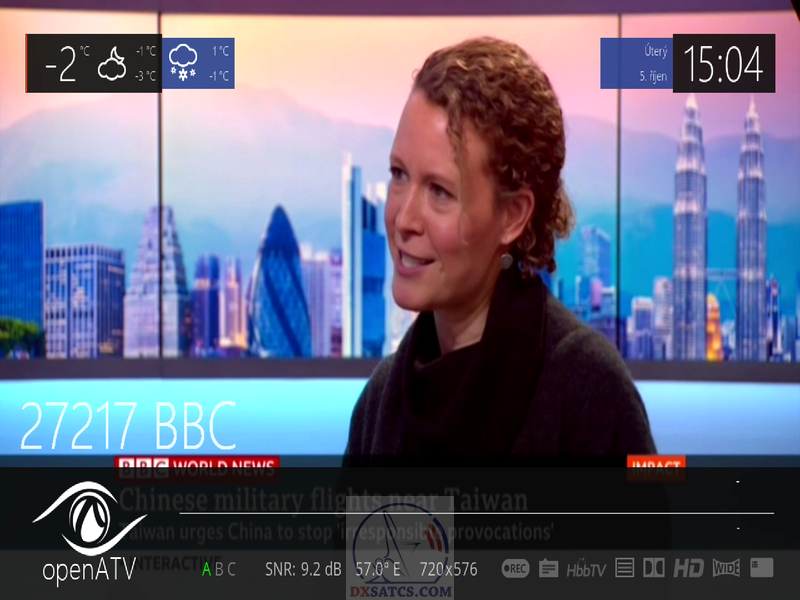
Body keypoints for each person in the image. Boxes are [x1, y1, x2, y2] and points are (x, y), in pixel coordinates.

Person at [344, 37, 657, 465]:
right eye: (399, 174)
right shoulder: (380, 403)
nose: (403, 219)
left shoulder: (588, 391)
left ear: (512, 216)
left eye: (439, 191)